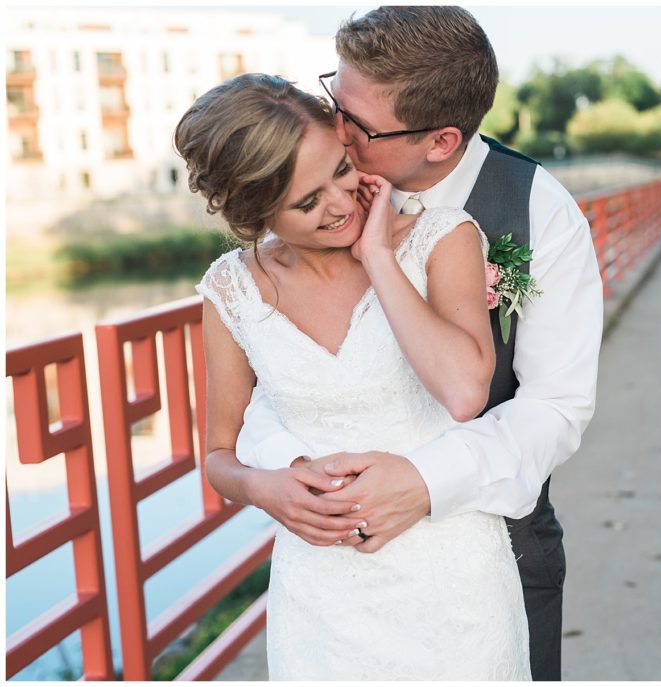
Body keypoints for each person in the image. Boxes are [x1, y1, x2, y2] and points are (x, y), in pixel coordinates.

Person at [233, 6, 603, 680]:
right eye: (331, 100)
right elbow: (276, 369)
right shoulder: (316, 199)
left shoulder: (539, 214)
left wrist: (426, 481)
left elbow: (556, 407)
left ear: (439, 141)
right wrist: (291, 470)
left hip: (494, 554)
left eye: (358, 125)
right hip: (337, 575)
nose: (333, 132)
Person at [180, 73, 531, 679]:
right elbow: (218, 455)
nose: (340, 205)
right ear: (252, 211)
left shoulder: (441, 240)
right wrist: (266, 490)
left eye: (341, 171)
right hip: (321, 596)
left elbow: (465, 391)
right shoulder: (233, 289)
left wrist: (378, 256)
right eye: (307, 202)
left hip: (453, 580)